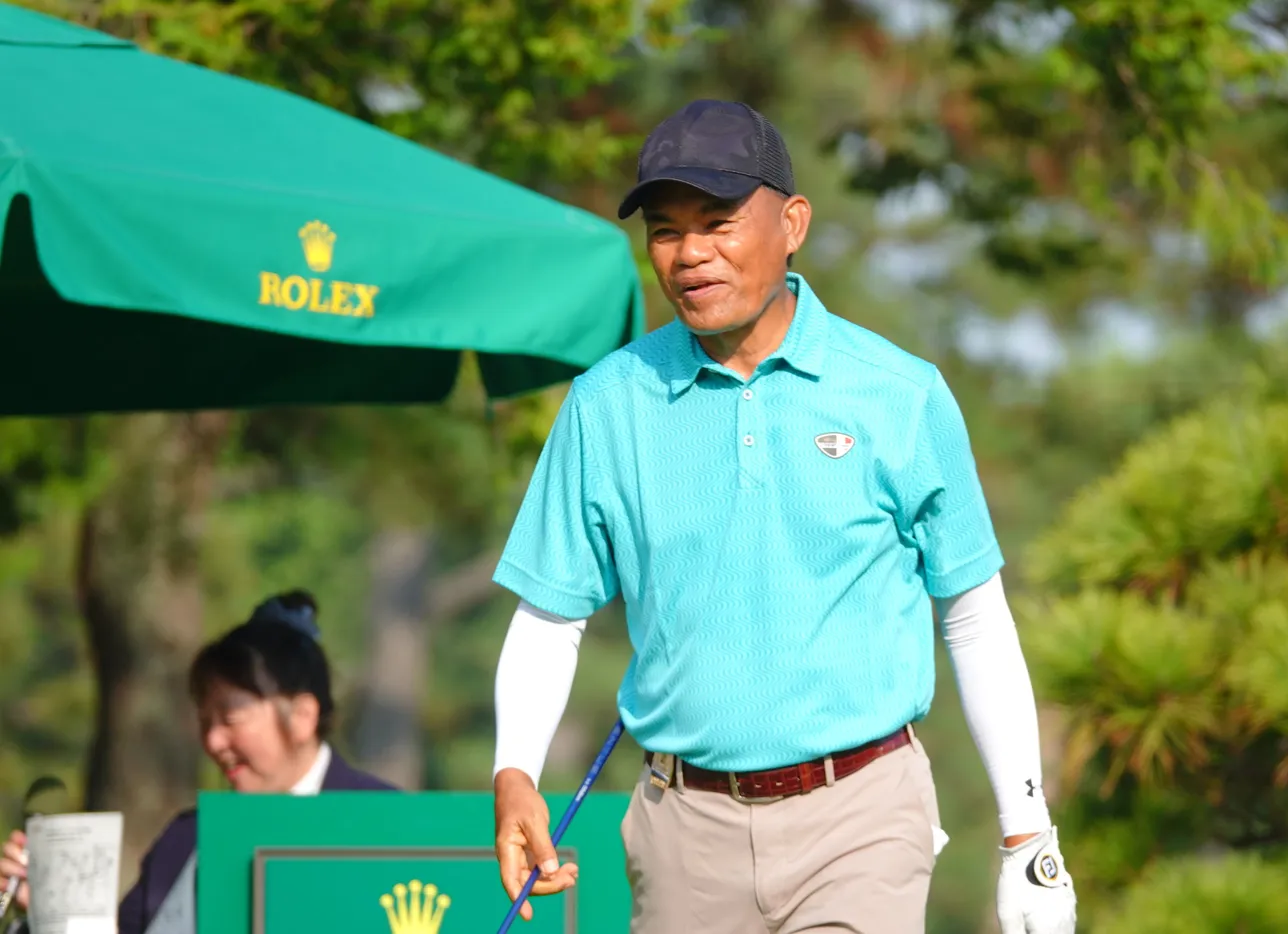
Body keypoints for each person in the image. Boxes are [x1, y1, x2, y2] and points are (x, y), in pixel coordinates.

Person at [489, 99, 1079, 933]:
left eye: (718, 223)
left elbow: (974, 617)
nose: (690, 253)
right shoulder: (607, 404)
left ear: (792, 223)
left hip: (861, 817)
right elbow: (551, 618)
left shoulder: (900, 394)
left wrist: (1027, 835)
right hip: (681, 828)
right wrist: (514, 771)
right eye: (665, 231)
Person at [0, 590, 394, 934]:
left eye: (230, 718)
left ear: (303, 716)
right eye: (205, 722)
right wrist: (51, 912)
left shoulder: (388, 828)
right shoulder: (186, 839)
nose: (213, 741)